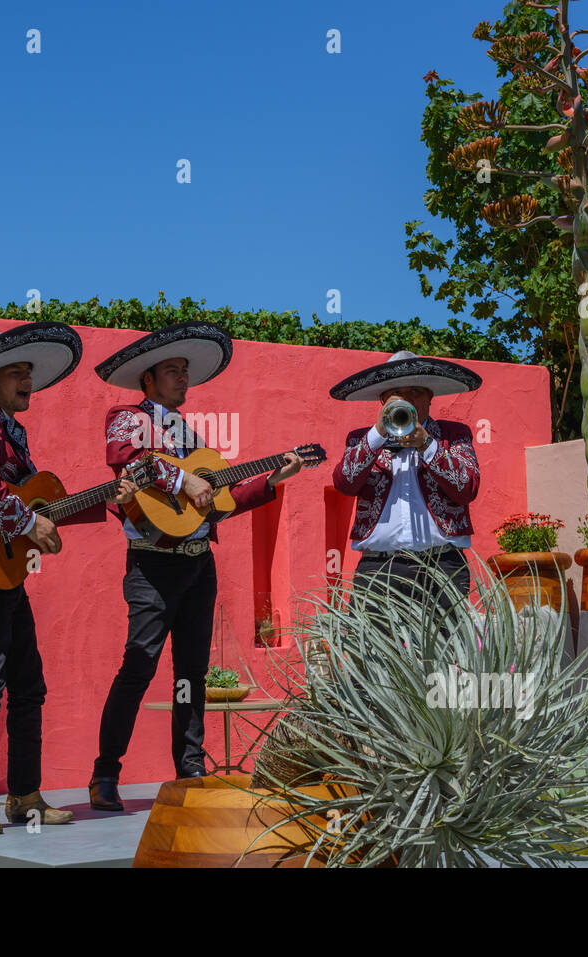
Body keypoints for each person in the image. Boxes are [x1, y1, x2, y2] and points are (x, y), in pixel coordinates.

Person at [0, 323, 135, 834]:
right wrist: (26, 522)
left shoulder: (9, 431)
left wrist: (107, 500)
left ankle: (24, 798)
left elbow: (40, 506)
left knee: (28, 688)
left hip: (4, 582)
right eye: (17, 373)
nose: (28, 381)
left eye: (29, 373)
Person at [88, 321, 304, 811]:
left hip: (197, 564)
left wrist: (271, 480)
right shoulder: (127, 416)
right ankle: (105, 773)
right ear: (148, 379)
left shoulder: (189, 432)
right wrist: (184, 480)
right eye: (173, 370)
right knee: (138, 666)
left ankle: (189, 771)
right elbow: (127, 460)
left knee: (192, 671)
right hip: (151, 565)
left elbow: (217, 503)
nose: (183, 378)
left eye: (186, 371)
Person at [328, 349, 483, 627]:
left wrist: (427, 444)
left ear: (429, 398)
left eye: (415, 391)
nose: (407, 400)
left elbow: (467, 487)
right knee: (371, 661)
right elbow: (345, 482)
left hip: (442, 566)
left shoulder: (453, 435)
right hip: (378, 568)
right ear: (383, 401)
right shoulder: (361, 439)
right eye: (396, 395)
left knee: (444, 658)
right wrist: (377, 434)